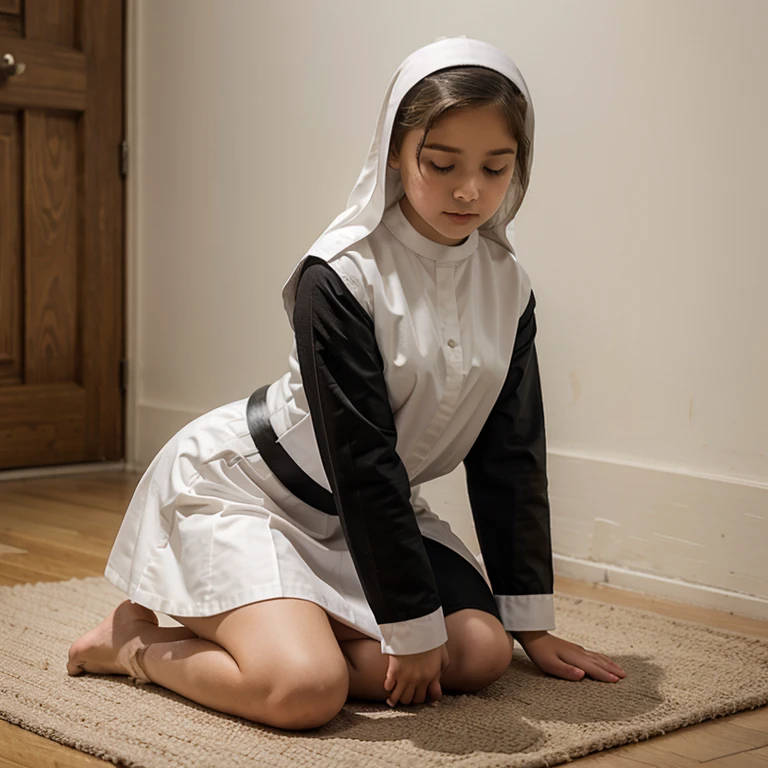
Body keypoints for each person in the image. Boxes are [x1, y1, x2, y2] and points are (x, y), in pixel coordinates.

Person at [67, 35, 626, 731]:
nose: (469, 190)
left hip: (361, 516)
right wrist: (411, 628)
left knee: (482, 653)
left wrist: (531, 624)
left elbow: (509, 455)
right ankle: (135, 645)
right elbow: (361, 461)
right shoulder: (339, 275)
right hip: (250, 497)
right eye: (443, 162)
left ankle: (291, 622)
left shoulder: (508, 286)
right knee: (306, 692)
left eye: (496, 167)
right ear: (395, 151)